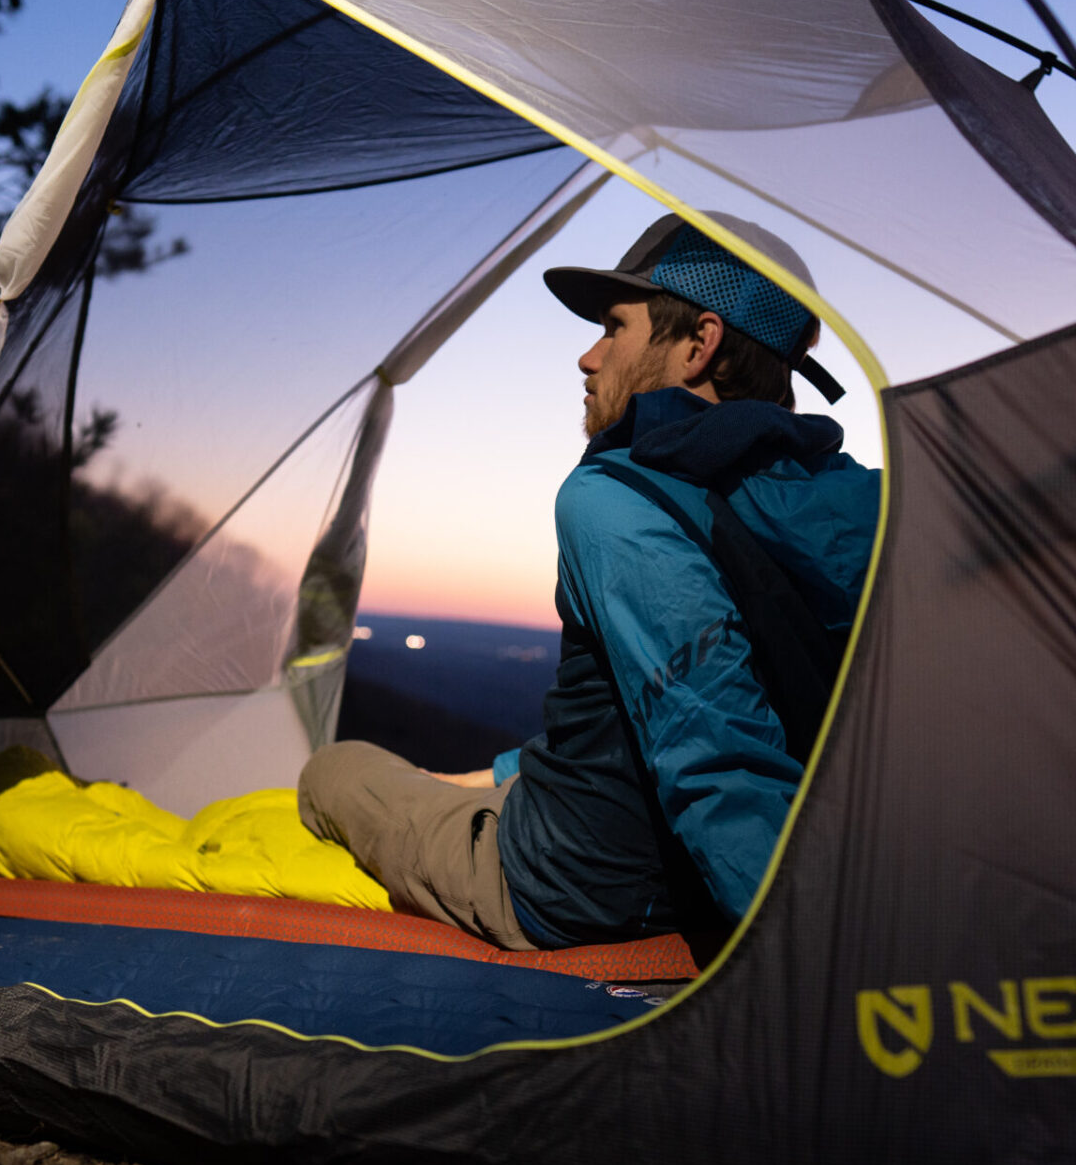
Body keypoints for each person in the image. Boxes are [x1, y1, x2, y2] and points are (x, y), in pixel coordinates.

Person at [298, 212, 879, 951]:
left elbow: (719, 758)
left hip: (568, 888)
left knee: (332, 769)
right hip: (651, 841)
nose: (587, 356)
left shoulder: (619, 501)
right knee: (486, 774)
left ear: (699, 344)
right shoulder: (862, 507)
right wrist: (499, 772)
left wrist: (828, 980)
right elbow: (669, 699)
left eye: (614, 327)